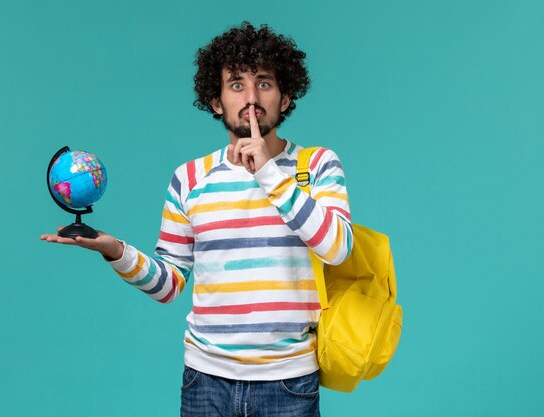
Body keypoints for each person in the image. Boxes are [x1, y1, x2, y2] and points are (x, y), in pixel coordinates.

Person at [41, 21, 353, 417]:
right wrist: (113, 250)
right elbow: (169, 284)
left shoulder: (319, 165)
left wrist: (268, 173)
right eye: (236, 84)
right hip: (205, 383)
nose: (252, 97)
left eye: (265, 82)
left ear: (286, 97)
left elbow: (338, 248)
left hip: (289, 384)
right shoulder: (189, 179)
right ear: (217, 101)